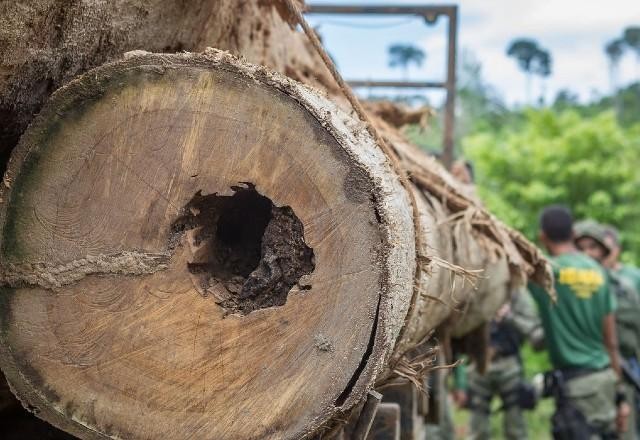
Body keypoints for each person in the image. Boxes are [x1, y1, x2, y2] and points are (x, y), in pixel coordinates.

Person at [528, 206, 629, 439]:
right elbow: (611, 341)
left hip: (576, 389)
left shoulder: (546, 274)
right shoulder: (599, 271)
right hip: (605, 380)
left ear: (543, 236)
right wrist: (620, 394)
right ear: (573, 233)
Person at [575, 221, 640, 440]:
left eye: (593, 247)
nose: (587, 254)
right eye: (581, 248)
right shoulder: (568, 287)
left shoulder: (623, 288)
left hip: (621, 374)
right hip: (582, 381)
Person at [453, 289, 543, 440]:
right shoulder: (476, 289)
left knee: (516, 427)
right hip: (478, 365)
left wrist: (509, 317)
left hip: (508, 364)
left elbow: (532, 330)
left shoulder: (517, 293)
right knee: (477, 429)